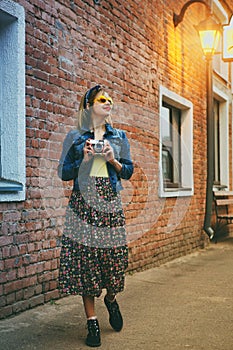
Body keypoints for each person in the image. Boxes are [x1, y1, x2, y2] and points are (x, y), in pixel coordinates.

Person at [58, 85, 134, 347]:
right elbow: (64, 173)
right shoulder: (74, 137)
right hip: (83, 204)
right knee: (86, 263)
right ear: (89, 105)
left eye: (110, 98)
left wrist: (113, 160)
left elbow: (128, 172)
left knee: (115, 260)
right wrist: (84, 160)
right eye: (102, 99)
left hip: (109, 204)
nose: (108, 101)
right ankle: (92, 322)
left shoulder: (119, 136)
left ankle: (111, 299)